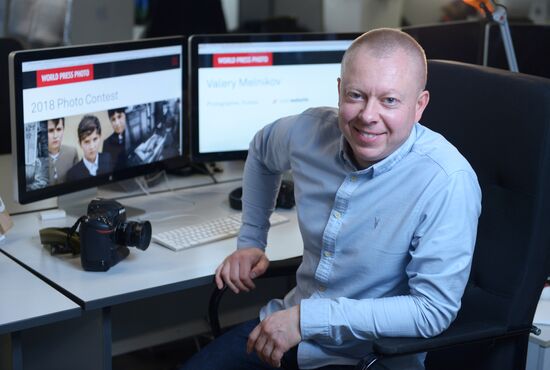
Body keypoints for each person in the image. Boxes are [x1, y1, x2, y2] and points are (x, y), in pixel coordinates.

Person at [182, 28, 481, 370]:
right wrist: (251, 240)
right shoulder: (309, 131)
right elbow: (262, 152)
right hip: (286, 329)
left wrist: (307, 320)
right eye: (356, 95)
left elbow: (432, 311)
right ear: (339, 90)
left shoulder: (446, 181)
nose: (368, 115)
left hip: (368, 356)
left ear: (419, 106)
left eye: (389, 101)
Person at [66, 115, 112, 181]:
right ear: (80, 143)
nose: (92, 146)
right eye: (87, 142)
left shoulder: (108, 159)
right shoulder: (72, 174)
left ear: (100, 137)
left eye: (95, 139)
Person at [46, 118, 78, 185]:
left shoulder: (72, 153)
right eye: (50, 130)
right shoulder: (37, 160)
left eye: (59, 129)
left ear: (63, 130)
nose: (55, 136)